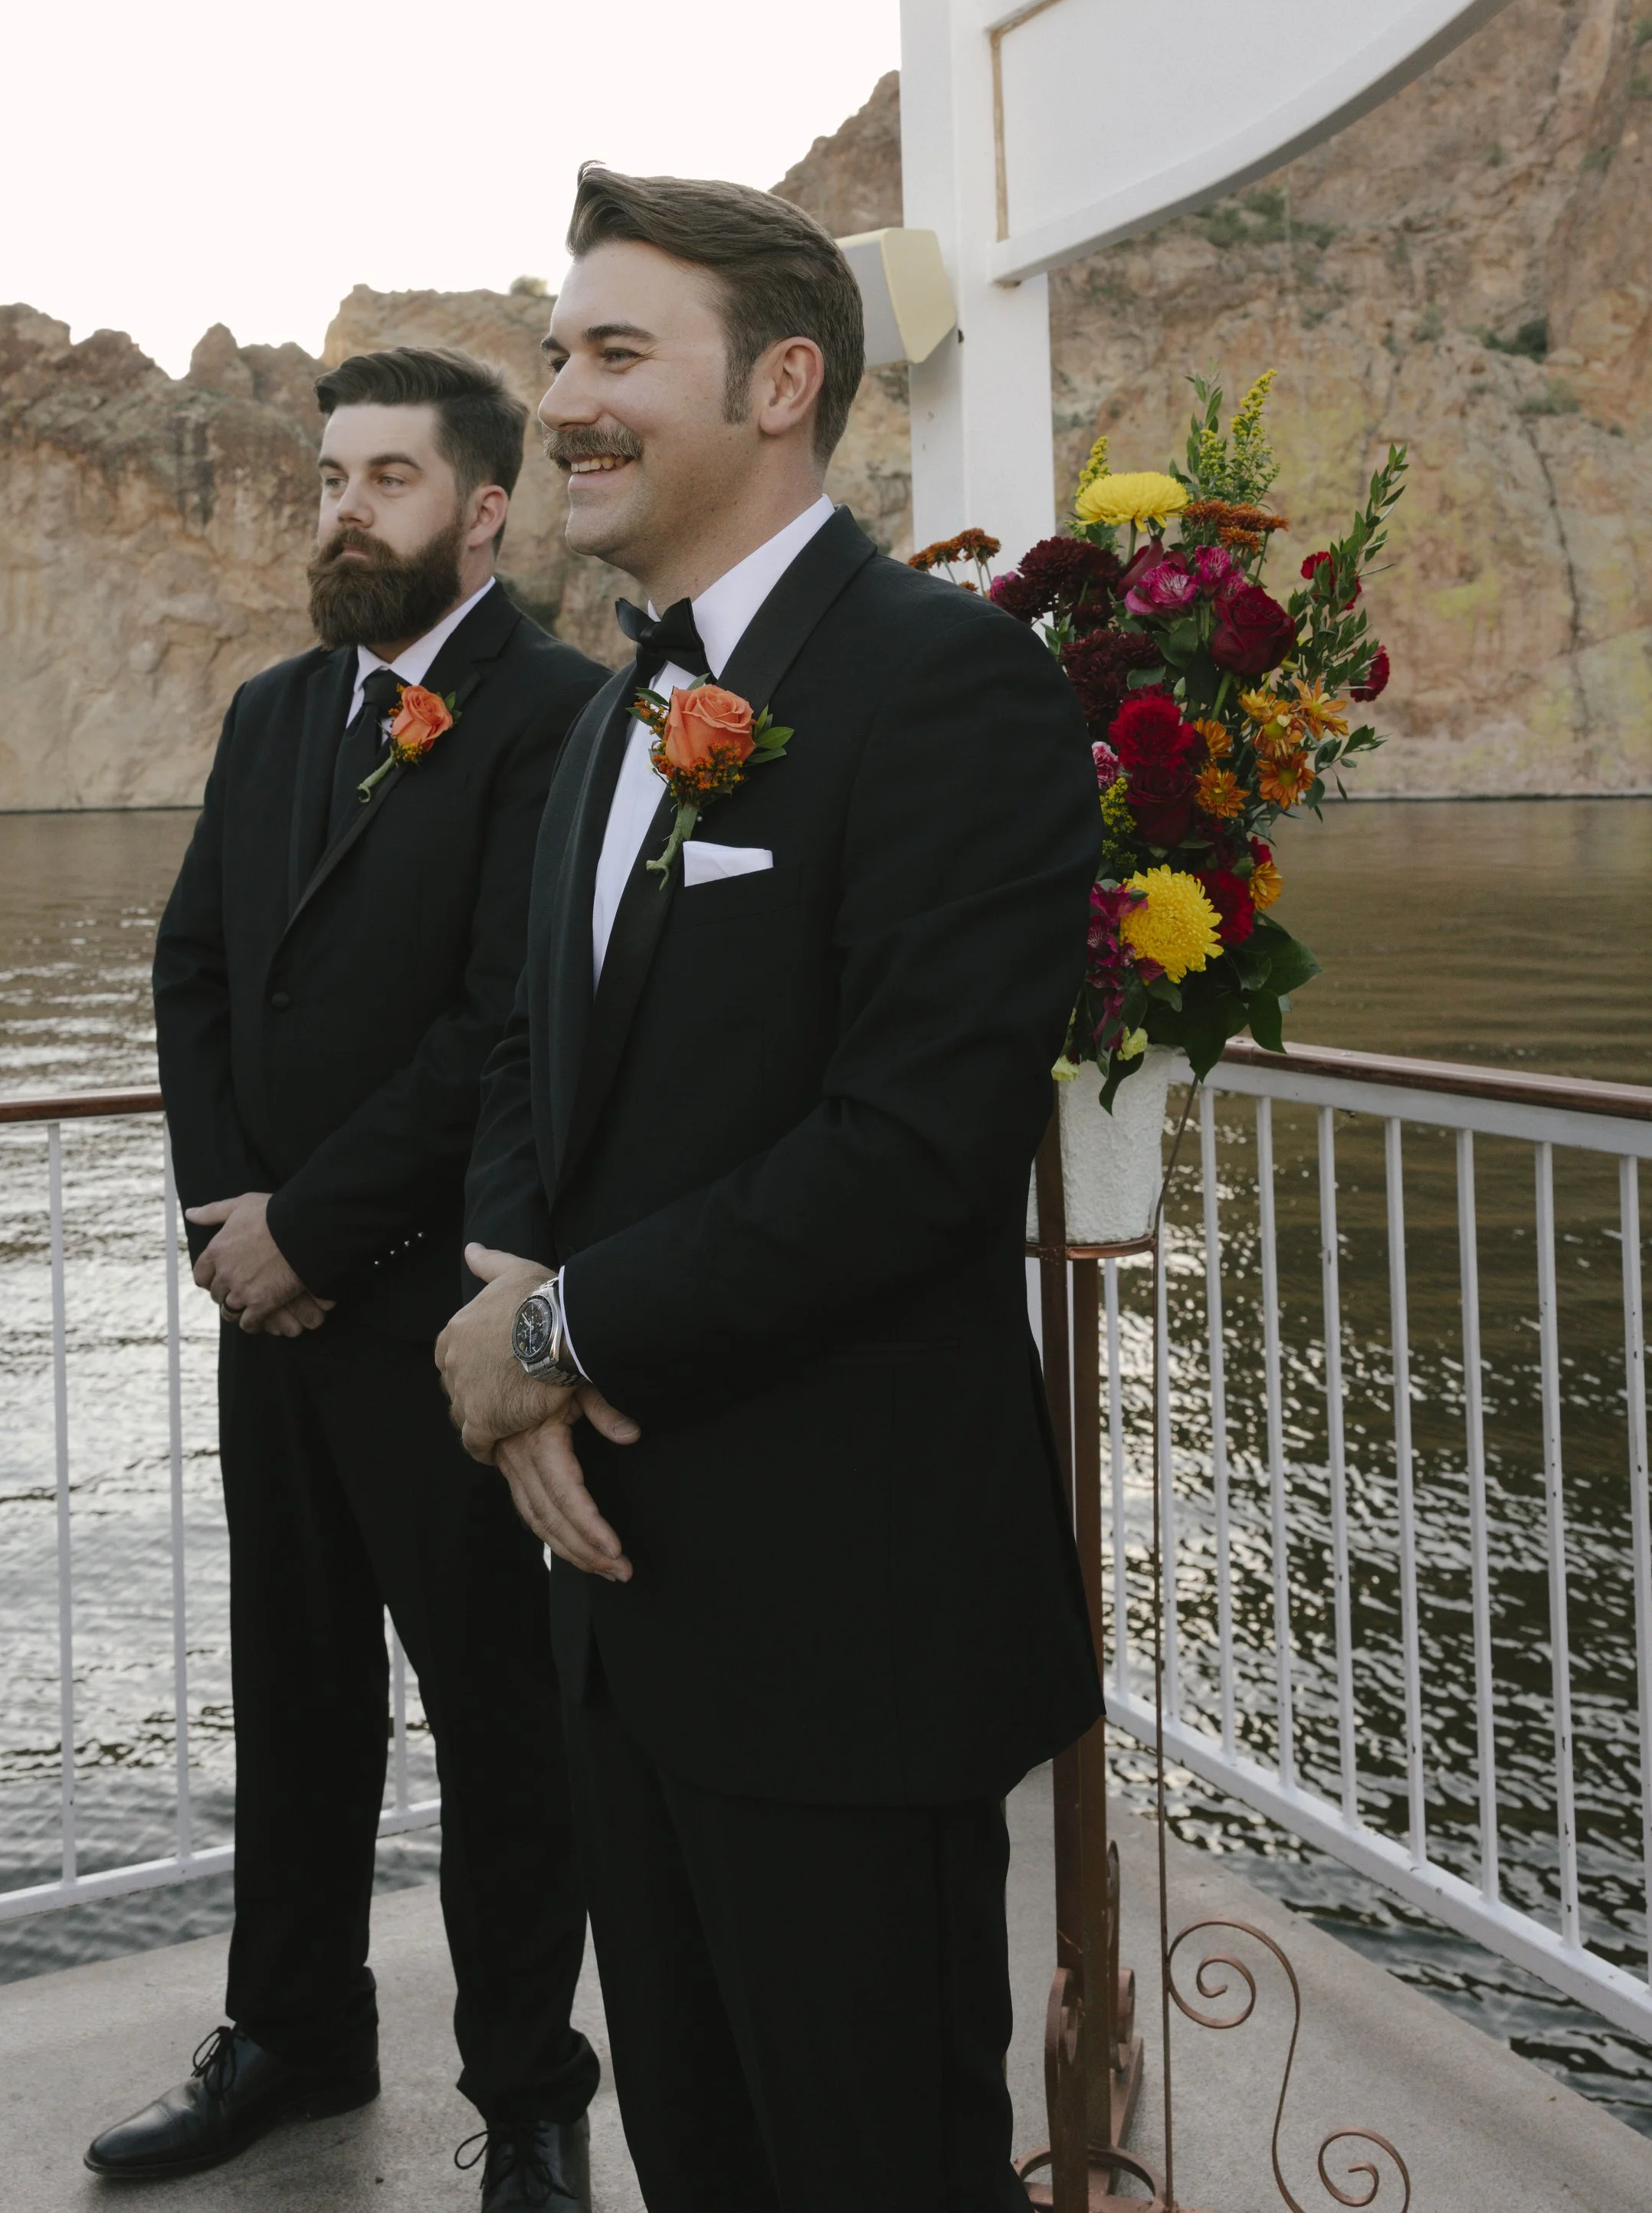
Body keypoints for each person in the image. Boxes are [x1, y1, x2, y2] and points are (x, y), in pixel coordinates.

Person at [438, 169, 1103, 2213]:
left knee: (875, 2165)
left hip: (841, 1624)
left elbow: (912, 1153)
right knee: (701, 2158)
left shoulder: (946, 683)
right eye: (556, 353)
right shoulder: (615, 712)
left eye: (615, 353)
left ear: (784, 381)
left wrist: (556, 1333)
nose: (562, 398)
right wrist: (507, 1280)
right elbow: (532, 1045)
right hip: (621, 1613)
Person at [87, 346, 607, 2209]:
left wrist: (312, 1232)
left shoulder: (560, 714)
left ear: (483, 509)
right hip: (273, 1309)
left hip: (442, 1316)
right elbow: (195, 970)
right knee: (293, 1692)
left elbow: (501, 1021)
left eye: (387, 478)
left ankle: (530, 2095)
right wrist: (229, 1223)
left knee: (496, 1717)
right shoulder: (272, 709)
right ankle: (295, 2032)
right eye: (328, 477)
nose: (344, 510)